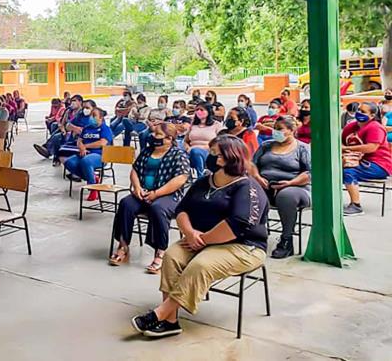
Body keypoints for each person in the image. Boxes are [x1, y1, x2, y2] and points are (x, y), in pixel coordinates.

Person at [130, 135, 268, 338]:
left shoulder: (248, 187)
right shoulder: (204, 182)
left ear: (230, 158)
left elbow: (238, 223)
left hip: (243, 246)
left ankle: (160, 313)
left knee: (201, 265)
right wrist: (190, 233)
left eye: (214, 154)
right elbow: (182, 209)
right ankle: (170, 321)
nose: (208, 157)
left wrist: (202, 240)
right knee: (172, 256)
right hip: (200, 240)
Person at [110, 122, 190, 273]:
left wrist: (157, 193)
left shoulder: (178, 155)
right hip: (144, 192)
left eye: (158, 134)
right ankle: (123, 245)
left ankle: (160, 251)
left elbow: (181, 178)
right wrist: (137, 188)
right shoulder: (147, 151)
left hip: (168, 196)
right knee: (126, 203)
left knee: (157, 208)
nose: (153, 137)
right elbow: (135, 169)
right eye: (154, 133)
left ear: (169, 138)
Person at [250, 116, 311, 258]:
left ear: (291, 130)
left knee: (286, 196)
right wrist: (257, 177)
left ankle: (286, 240)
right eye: (274, 129)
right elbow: (252, 164)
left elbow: (309, 173)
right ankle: (253, 235)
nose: (275, 132)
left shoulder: (302, 148)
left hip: (295, 187)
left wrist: (290, 183)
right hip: (265, 184)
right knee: (248, 191)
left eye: (279, 129)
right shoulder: (266, 145)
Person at [341, 102, 392, 216]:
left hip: (379, 165)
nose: (359, 113)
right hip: (357, 160)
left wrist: (347, 149)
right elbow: (342, 144)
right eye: (358, 110)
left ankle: (356, 205)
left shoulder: (376, 127)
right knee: (332, 170)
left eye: (363, 112)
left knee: (348, 171)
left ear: (372, 115)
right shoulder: (350, 127)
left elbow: (371, 147)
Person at [63, 105, 112, 201]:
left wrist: (86, 146)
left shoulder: (105, 129)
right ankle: (93, 178)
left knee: (86, 161)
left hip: (100, 155)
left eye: (94, 116)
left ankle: (92, 187)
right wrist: (81, 146)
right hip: (83, 153)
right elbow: (79, 140)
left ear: (101, 118)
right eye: (91, 115)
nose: (91, 118)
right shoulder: (86, 128)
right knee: (69, 162)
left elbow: (102, 143)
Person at [34, 95, 84, 165]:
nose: (73, 103)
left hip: (74, 133)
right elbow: (62, 123)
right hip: (65, 130)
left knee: (56, 137)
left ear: (80, 102)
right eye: (72, 101)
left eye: (75, 101)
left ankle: (53, 154)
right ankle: (48, 150)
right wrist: (63, 129)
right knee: (56, 131)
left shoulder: (82, 113)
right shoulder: (68, 111)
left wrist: (69, 129)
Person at [184, 102, 222, 176]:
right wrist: (187, 148)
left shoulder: (216, 125)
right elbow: (185, 141)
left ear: (208, 111)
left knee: (196, 152)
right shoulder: (193, 125)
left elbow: (219, 141)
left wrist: (204, 148)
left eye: (201, 110)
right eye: (197, 109)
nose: (198, 112)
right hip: (191, 151)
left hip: (208, 152)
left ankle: (199, 176)